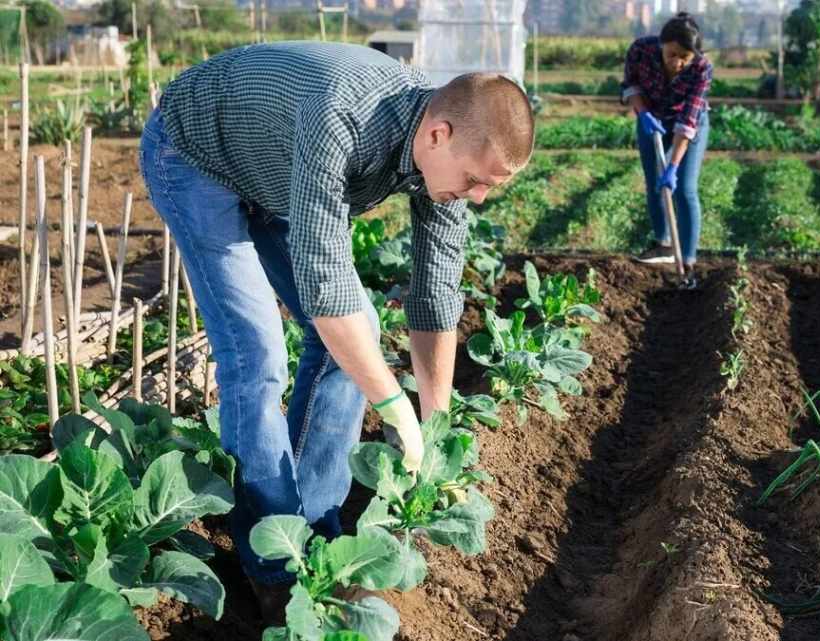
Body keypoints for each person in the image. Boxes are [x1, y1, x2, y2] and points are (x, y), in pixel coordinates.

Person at [138, 41, 534, 620]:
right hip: (195, 152)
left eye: (488, 188)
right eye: (475, 180)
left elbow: (435, 297)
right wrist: (394, 408)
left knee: (359, 334)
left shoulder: (444, 161)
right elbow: (327, 297)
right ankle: (272, 566)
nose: (476, 196)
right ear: (438, 136)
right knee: (256, 353)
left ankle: (316, 526)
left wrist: (431, 419)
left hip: (273, 167)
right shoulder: (342, 118)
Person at [620, 12, 712, 286]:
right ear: (662, 45)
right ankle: (663, 245)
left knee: (683, 188)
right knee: (654, 185)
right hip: (651, 117)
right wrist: (644, 113)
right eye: (672, 54)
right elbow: (631, 84)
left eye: (685, 56)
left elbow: (688, 122)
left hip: (688, 124)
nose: (678, 62)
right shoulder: (641, 50)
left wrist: (672, 167)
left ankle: (688, 262)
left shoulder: (702, 68)